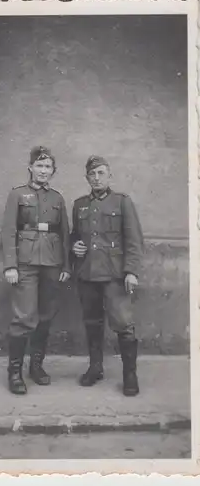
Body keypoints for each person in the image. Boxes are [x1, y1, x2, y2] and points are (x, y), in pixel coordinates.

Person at [70, 155, 143, 396]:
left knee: (123, 324)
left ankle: (129, 374)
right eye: (92, 174)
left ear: (109, 175)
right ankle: (95, 367)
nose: (97, 177)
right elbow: (75, 236)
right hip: (87, 273)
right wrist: (75, 246)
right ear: (86, 178)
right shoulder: (79, 204)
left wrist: (131, 271)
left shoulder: (122, 202)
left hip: (114, 275)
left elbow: (134, 240)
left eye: (101, 173)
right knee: (92, 322)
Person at [1, 146, 71, 395]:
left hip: (52, 264)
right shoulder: (18, 195)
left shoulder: (57, 198)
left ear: (53, 171)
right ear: (30, 168)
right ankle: (15, 372)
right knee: (23, 317)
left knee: (46, 315)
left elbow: (64, 235)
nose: (43, 171)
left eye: (48, 167)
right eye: (39, 166)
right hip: (26, 264)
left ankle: (36, 367)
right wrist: (11, 265)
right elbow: (9, 230)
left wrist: (66, 266)